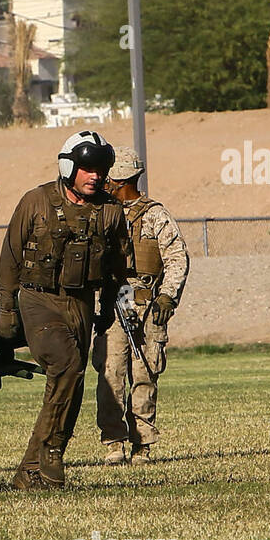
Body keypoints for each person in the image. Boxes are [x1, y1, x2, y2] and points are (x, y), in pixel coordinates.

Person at [0, 130, 130, 490]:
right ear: (69, 166)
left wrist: (107, 307)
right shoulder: (36, 201)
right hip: (39, 300)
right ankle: (53, 449)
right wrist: (7, 309)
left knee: (71, 380)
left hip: (82, 303)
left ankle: (29, 471)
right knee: (67, 366)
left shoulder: (111, 212)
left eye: (101, 169)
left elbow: (118, 265)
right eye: (87, 168)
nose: (95, 176)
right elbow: (10, 257)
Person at [92, 147, 190, 465]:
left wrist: (167, 296)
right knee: (111, 373)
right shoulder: (101, 214)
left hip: (147, 304)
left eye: (110, 179)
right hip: (112, 304)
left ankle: (142, 443)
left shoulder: (155, 215)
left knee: (145, 371)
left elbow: (177, 258)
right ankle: (114, 442)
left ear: (121, 180)